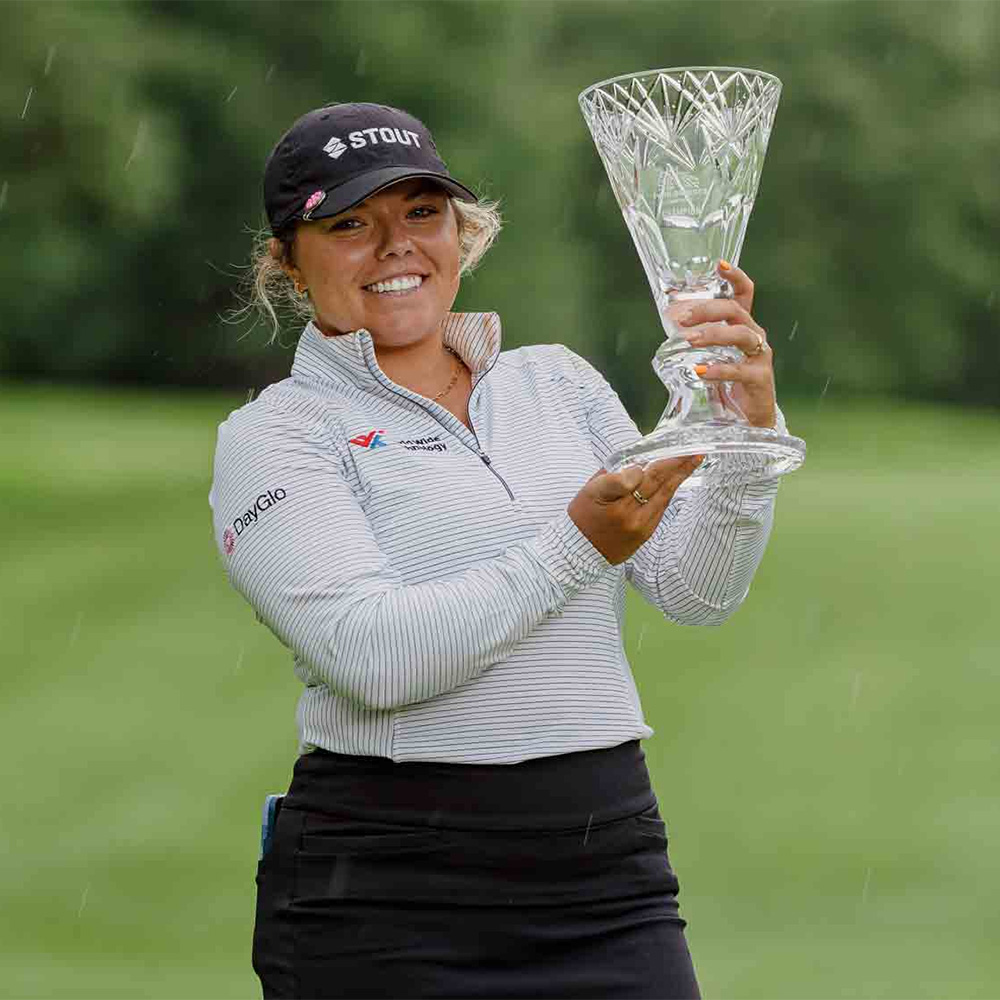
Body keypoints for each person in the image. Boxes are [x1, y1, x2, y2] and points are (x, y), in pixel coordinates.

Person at [209, 102, 785, 1000]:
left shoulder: (554, 382)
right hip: (387, 894)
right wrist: (575, 546)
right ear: (288, 259)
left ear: (462, 232)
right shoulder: (276, 436)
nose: (396, 246)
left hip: (609, 876)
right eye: (350, 224)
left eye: (422, 213)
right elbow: (375, 657)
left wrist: (746, 440)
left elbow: (694, 589)